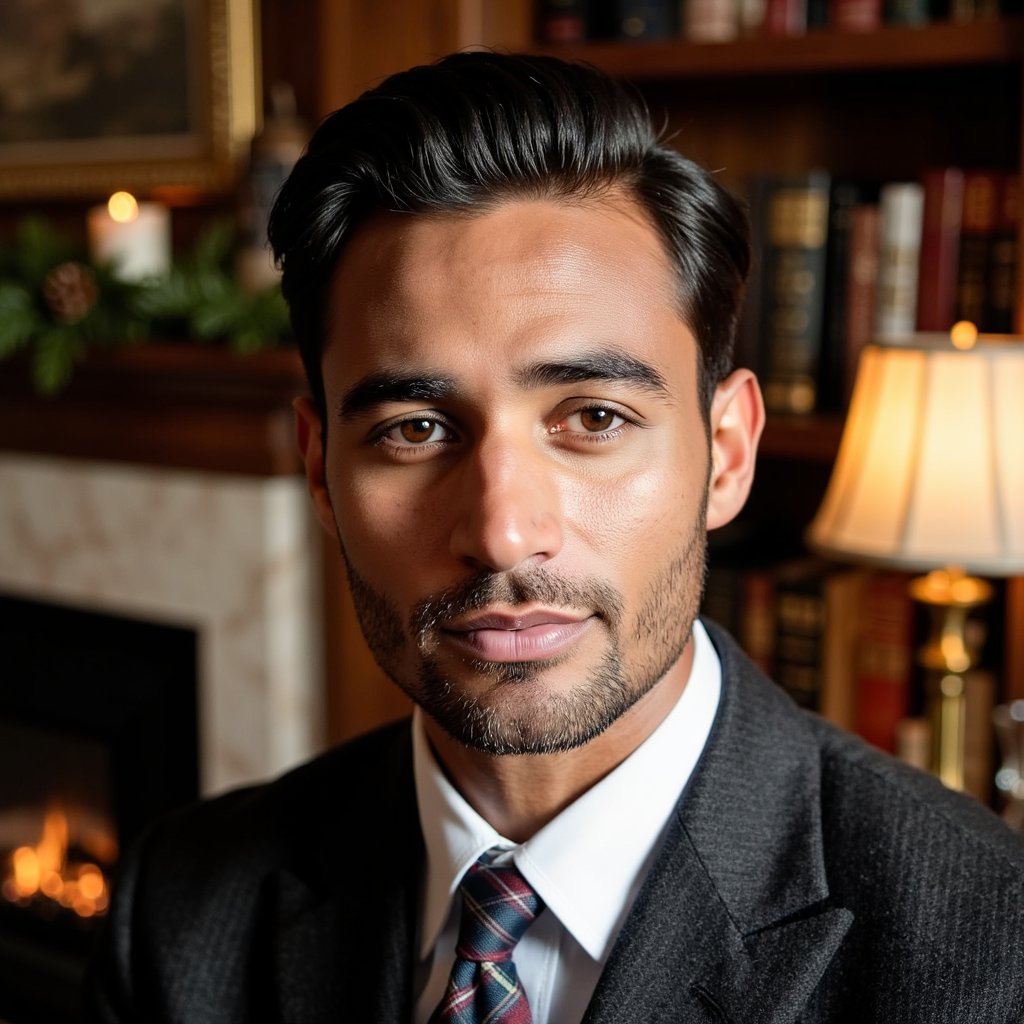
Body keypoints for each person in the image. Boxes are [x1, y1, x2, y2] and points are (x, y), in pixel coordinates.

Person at [87, 52, 1024, 1024]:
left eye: (594, 418)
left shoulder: (993, 951)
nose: (502, 532)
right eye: (414, 429)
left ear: (728, 452)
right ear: (321, 468)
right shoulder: (181, 907)